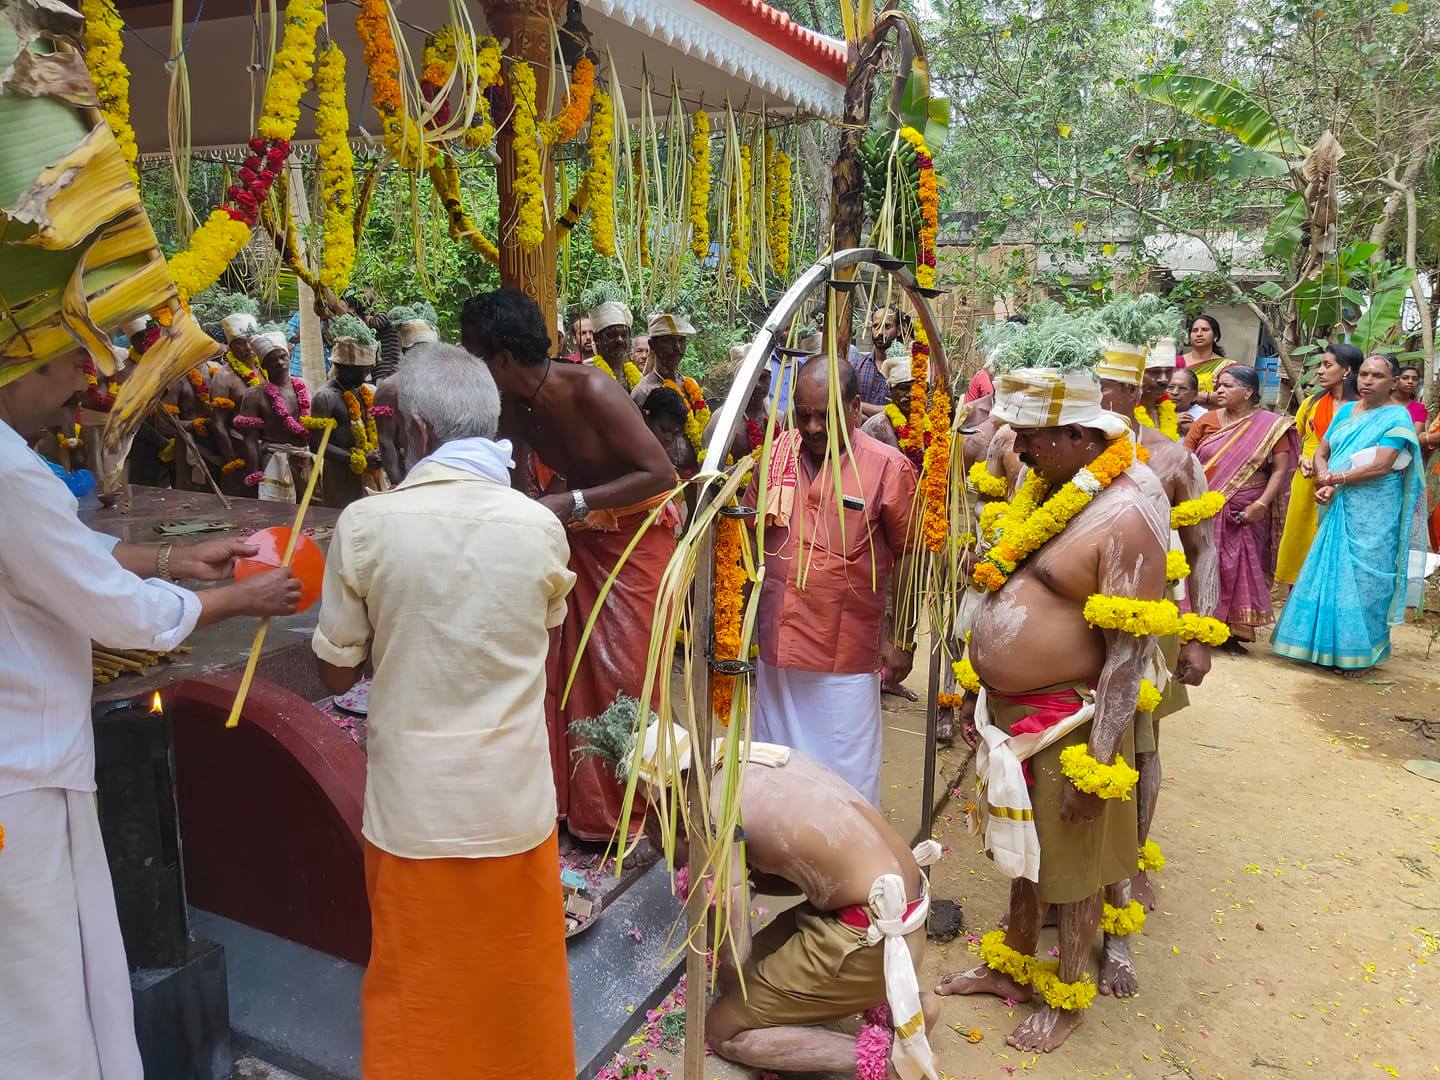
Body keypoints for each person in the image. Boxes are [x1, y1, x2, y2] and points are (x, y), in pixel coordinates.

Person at [1, 349, 300, 1080]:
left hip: (28, 756)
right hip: (21, 771)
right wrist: (235, 600)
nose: (80, 384)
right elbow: (112, 611)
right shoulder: (7, 469)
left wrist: (174, 562)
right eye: (63, 365)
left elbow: (59, 550)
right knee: (40, 999)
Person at [312, 343, 576, 1077]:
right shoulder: (538, 527)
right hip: (513, 806)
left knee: (418, 996)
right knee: (516, 994)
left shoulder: (368, 526)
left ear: (417, 435)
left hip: (414, 811)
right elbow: (543, 643)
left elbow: (336, 668)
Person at [939, 365, 1171, 1053]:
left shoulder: (1126, 512)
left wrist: (1097, 768)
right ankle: (1010, 964)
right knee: (1022, 851)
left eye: (1032, 436)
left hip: (1071, 724)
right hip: (1013, 716)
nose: (1019, 447)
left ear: (1076, 434)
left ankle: (1067, 992)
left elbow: (1127, 657)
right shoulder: (1052, 482)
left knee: (1073, 869)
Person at [574, 714, 941, 1079]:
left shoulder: (715, 808)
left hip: (871, 937)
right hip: (906, 914)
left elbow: (735, 947)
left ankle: (889, 1060)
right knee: (753, 979)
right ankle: (911, 1007)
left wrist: (692, 862)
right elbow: (794, 875)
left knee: (725, 1029)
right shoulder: (739, 756)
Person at [463, 288, 677, 841]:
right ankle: (574, 806)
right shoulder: (512, 402)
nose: (474, 371)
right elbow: (507, 469)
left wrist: (572, 503)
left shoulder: (593, 388)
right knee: (565, 665)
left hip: (636, 538)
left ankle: (635, 809)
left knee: (624, 672)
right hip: (577, 536)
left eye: (476, 358)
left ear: (504, 360)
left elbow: (662, 476)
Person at [747, 356, 918, 805]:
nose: (813, 426)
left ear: (856, 407)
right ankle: (782, 870)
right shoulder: (775, 456)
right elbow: (745, 537)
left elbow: (913, 561)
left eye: (826, 415)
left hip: (843, 661)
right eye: (803, 414)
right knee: (776, 774)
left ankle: (849, 871)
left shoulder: (887, 468)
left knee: (844, 788)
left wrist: (902, 637)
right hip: (776, 652)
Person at [1095, 348, 1221, 933]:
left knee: (1141, 745)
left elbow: (1203, 548)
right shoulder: (1075, 445)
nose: (1106, 397)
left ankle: (1135, 858)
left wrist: (1201, 636)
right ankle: (1079, 867)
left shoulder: (1174, 458)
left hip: (1150, 623)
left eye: (1119, 386)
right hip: (1084, 621)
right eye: (1100, 384)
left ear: (1147, 390)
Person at [1273, 354, 1425, 678]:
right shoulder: (1344, 411)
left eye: (1378, 376)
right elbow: (1322, 451)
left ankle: (1362, 654)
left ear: (1393, 382)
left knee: (1368, 578)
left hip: (1375, 508)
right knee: (1329, 570)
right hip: (1338, 499)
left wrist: (1333, 479)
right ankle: (1322, 648)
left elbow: (1382, 465)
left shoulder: (1397, 417)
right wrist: (1326, 476)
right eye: (1365, 374)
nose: (1368, 380)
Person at [1183, 367, 1297, 648]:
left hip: (1247, 506)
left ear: (1248, 392)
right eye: (1218, 385)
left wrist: (1261, 504)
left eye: (1227, 386)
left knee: (1240, 565)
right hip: (1205, 506)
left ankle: (1234, 629)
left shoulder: (1270, 425)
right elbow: (1184, 458)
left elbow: (1281, 470)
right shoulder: (1207, 420)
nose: (1219, 390)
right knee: (1205, 562)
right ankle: (1199, 623)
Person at [1275, 344, 1361, 585]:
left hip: (1343, 480)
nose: (1320, 371)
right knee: (1299, 539)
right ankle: (1296, 602)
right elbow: (1292, 439)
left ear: (1347, 370)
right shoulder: (1311, 404)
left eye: (1327, 365)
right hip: (1307, 479)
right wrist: (1302, 458)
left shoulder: (1362, 408)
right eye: (1320, 365)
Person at [234, 329, 316, 503]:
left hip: (307, 458)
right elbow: (250, 439)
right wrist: (255, 473)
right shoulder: (254, 394)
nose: (280, 363)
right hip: (275, 461)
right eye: (272, 360)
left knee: (312, 512)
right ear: (263, 365)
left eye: (282, 357)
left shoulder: (306, 385)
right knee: (279, 513)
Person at [307, 325, 384, 508]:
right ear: (341, 367)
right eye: (361, 371)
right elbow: (316, 445)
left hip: (371, 469)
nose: (367, 377)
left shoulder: (364, 391)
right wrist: (357, 458)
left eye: (368, 370)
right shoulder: (324, 397)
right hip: (340, 475)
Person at [631, 313, 706, 477]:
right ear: (653, 345)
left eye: (681, 341)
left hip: (696, 479)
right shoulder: (642, 392)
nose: (677, 348)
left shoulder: (690, 386)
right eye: (669, 341)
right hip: (663, 483)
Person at [703, 347, 773, 464]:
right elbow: (707, 468)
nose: (757, 385)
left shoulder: (778, 418)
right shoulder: (722, 421)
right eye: (751, 378)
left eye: (762, 377)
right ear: (738, 381)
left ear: (770, 379)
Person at [860, 344, 922, 463]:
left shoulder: (929, 427)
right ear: (890, 391)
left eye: (917, 388)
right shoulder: (876, 427)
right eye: (904, 388)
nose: (911, 394)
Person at [854, 305, 909, 418]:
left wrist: (858, 406)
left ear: (899, 331)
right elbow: (844, 404)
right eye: (876, 326)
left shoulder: (907, 370)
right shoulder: (857, 365)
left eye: (887, 326)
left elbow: (900, 410)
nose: (880, 332)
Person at [1180, 314, 1233, 404]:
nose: (1199, 334)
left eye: (1205, 330)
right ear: (1189, 337)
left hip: (1210, 414)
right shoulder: (1176, 362)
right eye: (1195, 330)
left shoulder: (1227, 366)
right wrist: (1207, 394)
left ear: (1215, 337)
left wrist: (1193, 395)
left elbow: (1231, 396)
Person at [586, 297, 637, 389]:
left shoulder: (638, 377)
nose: (620, 340)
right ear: (596, 338)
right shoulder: (587, 374)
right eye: (612, 335)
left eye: (624, 334)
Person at [1134, 337, 1179, 439]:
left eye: (1168, 371)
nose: (1164, 379)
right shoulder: (1124, 409)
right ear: (1138, 373)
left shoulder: (1167, 407)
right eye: (1154, 372)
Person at [1166, 368, 1207, 440]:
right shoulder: (1152, 410)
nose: (1175, 392)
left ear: (1194, 396)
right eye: (1170, 387)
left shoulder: (1203, 417)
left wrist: (1194, 430)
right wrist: (1172, 423)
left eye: (1182, 388)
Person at [1392, 362, 1428, 433]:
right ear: (1395, 381)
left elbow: (1416, 436)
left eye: (1415, 379)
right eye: (1405, 378)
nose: (1410, 382)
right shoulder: (1382, 401)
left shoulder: (1419, 408)